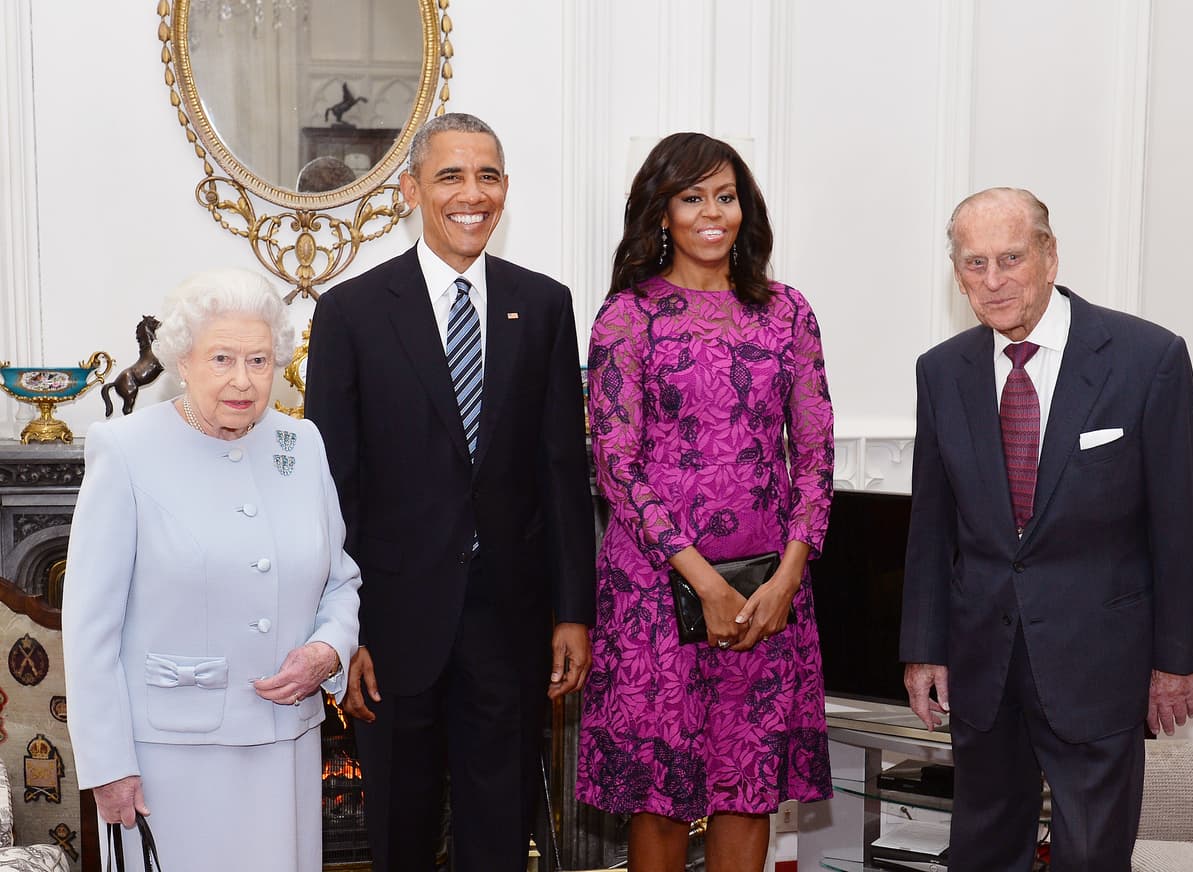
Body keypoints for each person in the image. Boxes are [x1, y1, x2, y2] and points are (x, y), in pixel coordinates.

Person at [304, 112, 596, 872]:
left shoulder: (544, 305)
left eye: (488, 175)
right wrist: (344, 627)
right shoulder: (351, 312)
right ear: (411, 190)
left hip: (510, 622)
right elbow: (332, 488)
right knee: (400, 831)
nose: (473, 194)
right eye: (451, 176)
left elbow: (562, 469)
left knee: (500, 834)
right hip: (391, 625)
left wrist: (572, 611)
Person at [900, 187, 1193, 871]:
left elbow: (1183, 523)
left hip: (1101, 661)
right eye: (974, 263)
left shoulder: (1146, 358)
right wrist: (923, 649)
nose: (993, 280)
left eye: (1010, 257)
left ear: (1048, 255)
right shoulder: (941, 372)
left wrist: (1175, 659)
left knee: (1092, 857)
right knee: (981, 853)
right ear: (957, 273)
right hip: (983, 664)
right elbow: (932, 526)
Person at [576, 132, 836, 872]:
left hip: (769, 595)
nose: (711, 213)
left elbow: (815, 457)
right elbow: (616, 466)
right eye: (692, 197)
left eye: (725, 196)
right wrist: (704, 580)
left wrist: (786, 579)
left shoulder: (787, 313)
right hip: (656, 591)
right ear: (662, 213)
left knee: (747, 788)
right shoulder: (626, 317)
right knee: (660, 799)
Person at [63, 268, 362, 872]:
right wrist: (108, 766)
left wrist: (330, 650)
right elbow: (89, 626)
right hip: (167, 758)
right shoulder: (125, 450)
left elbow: (341, 581)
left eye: (258, 361)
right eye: (222, 358)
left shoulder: (301, 445)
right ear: (183, 360)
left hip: (286, 747)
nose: (242, 380)